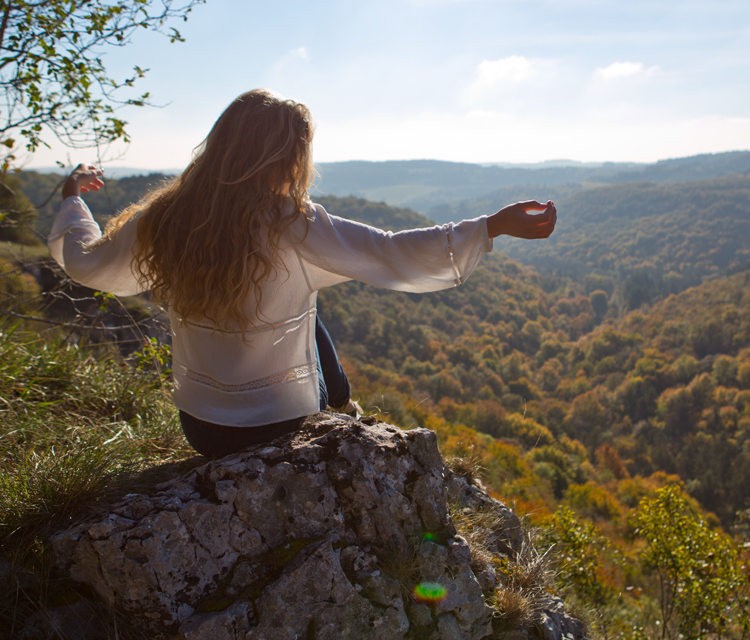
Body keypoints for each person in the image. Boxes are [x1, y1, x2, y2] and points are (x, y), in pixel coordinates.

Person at [48, 88, 557, 456]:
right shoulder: (290, 221)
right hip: (279, 423)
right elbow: (388, 253)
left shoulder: (164, 218)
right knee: (305, 306)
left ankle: (343, 405)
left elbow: (90, 263)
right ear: (286, 157)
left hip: (201, 427)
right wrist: (489, 227)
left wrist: (73, 200)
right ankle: (345, 410)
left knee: (301, 305)